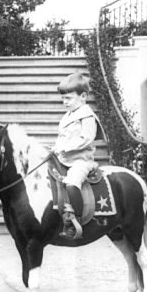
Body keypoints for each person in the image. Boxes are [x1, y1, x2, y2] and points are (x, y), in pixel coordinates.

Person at [51, 72, 104, 240]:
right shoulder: (68, 115)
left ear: (83, 96)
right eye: (63, 99)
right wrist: (54, 148)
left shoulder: (87, 116)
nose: (64, 102)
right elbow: (61, 138)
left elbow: (86, 138)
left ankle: (76, 220)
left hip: (81, 161)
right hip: (64, 159)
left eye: (68, 98)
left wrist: (64, 148)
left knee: (72, 183)